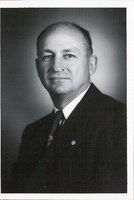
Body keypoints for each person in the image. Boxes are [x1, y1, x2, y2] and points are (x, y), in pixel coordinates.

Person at [12, 22, 127, 193]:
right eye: (47, 56)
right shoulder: (32, 133)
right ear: (38, 67)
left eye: (69, 56)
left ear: (91, 64)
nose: (57, 66)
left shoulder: (121, 121)